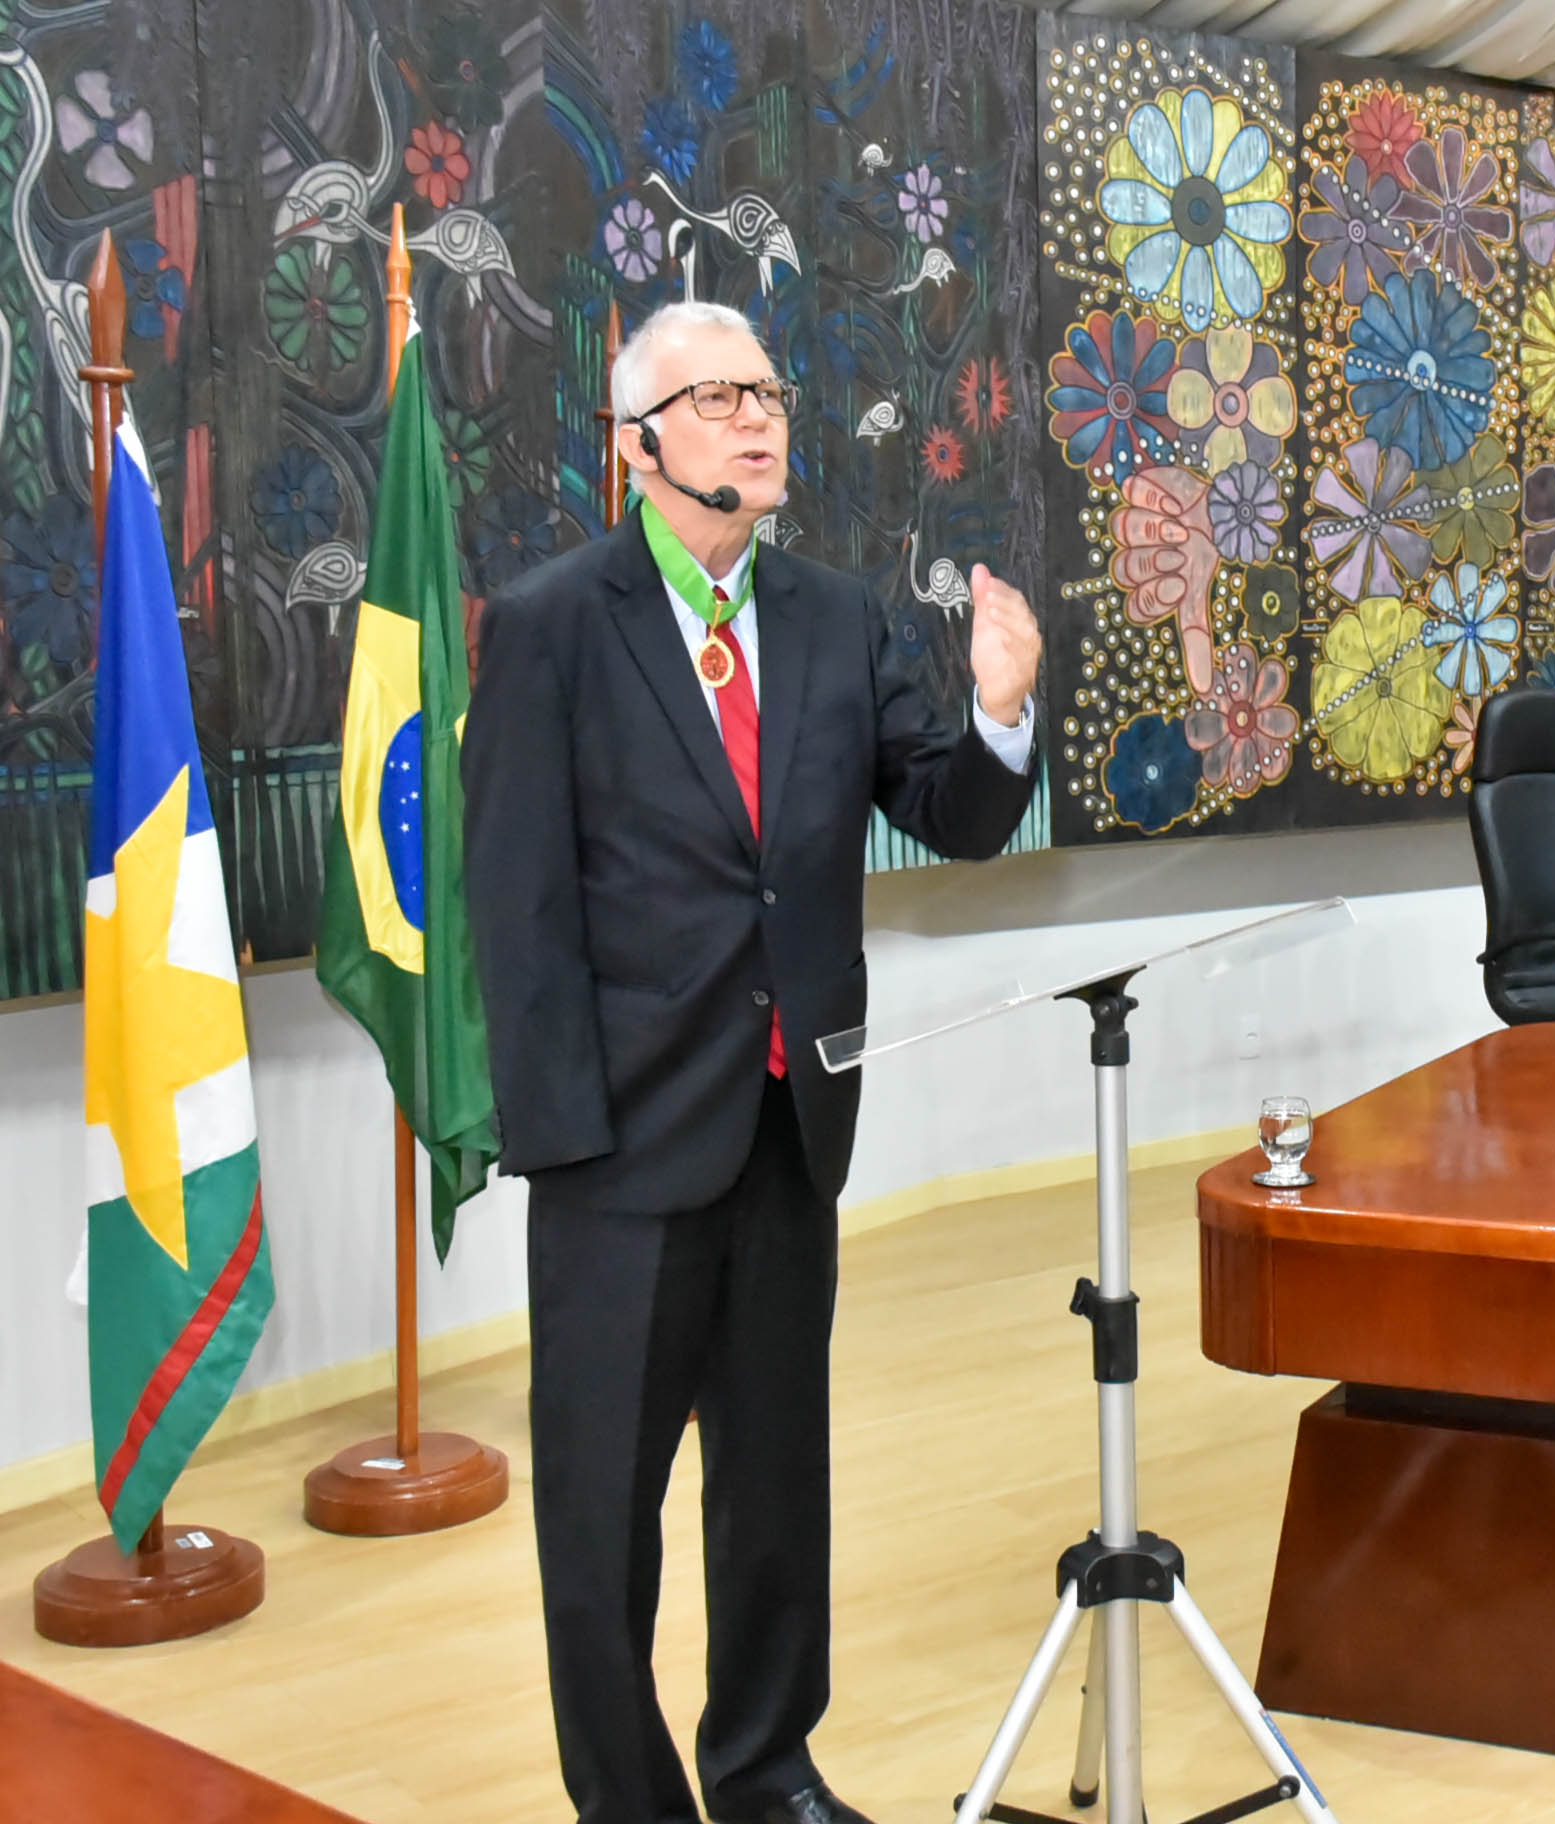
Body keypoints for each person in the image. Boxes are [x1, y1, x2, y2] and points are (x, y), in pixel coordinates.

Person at [463, 300, 1043, 1824]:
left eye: (768, 391)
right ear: (638, 445)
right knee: (602, 1523)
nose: (758, 418)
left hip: (792, 1129)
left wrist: (995, 708)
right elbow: (514, 911)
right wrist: (561, 1138)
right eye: (715, 398)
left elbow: (955, 814)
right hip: (621, 1151)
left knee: (776, 1492)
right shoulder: (548, 626)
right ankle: (631, 1802)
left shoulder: (841, 620)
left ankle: (768, 1770)